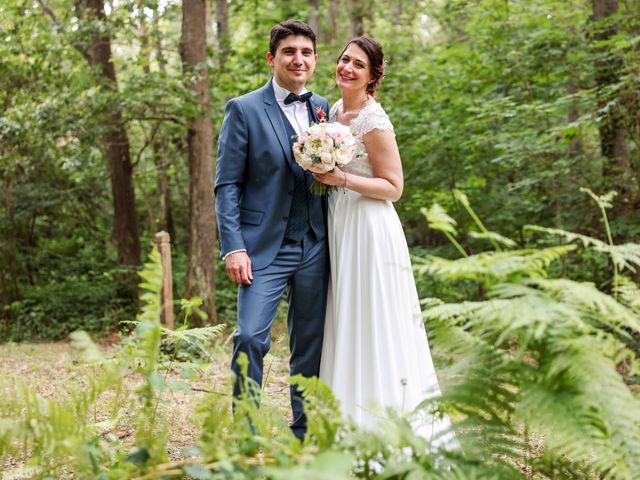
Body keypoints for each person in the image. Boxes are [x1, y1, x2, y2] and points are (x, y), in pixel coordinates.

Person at [315, 36, 458, 449]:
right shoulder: (334, 111)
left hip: (369, 227)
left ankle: (384, 426)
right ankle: (343, 420)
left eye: (358, 64)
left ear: (373, 75)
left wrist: (341, 178)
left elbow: (393, 187)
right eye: (344, 59)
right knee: (345, 316)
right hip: (340, 223)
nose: (347, 68)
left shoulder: (372, 120)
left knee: (372, 317)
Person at [215, 19, 330, 441]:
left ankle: (305, 432)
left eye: (305, 52)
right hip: (262, 248)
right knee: (249, 336)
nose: (297, 59)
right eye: (289, 52)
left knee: (311, 345)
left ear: (315, 60)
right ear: (272, 58)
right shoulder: (243, 109)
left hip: (317, 244)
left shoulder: (325, 110)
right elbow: (227, 184)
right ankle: (246, 436)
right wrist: (234, 247)